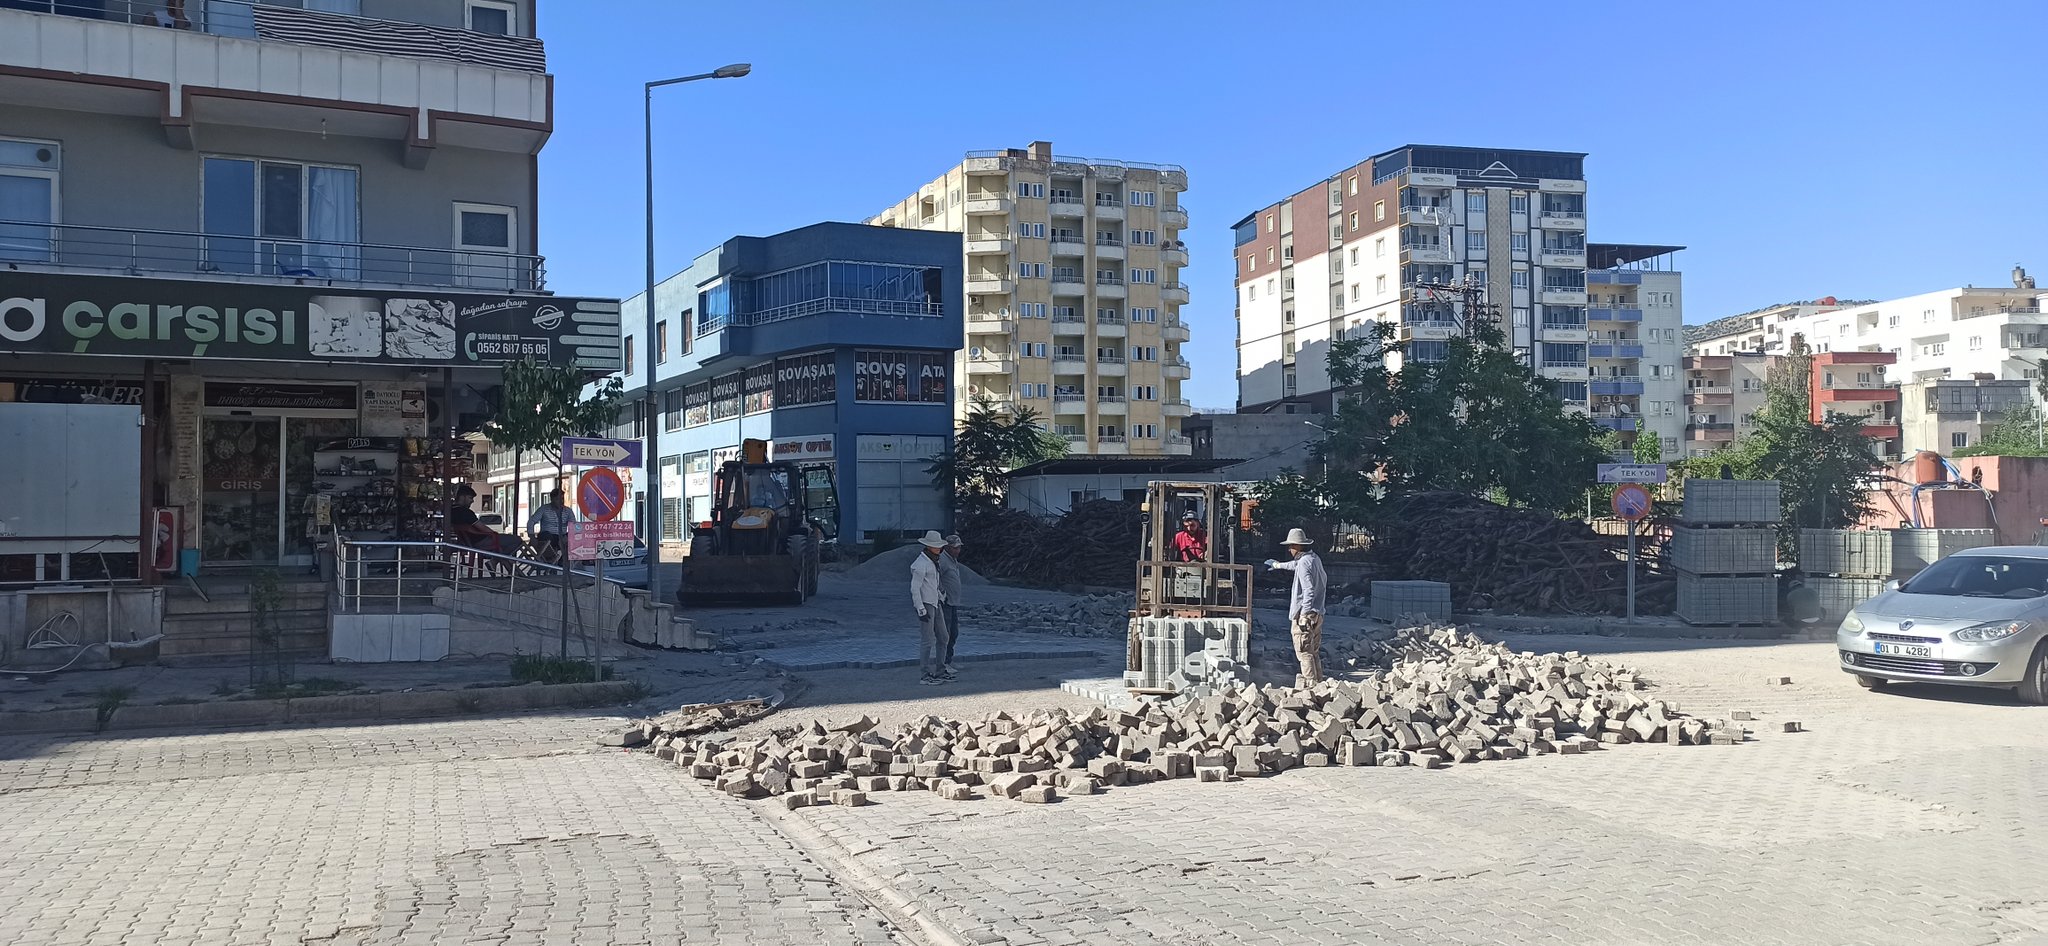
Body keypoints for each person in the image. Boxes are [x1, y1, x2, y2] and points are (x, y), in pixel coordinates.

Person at [1264, 528, 1327, 687]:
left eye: (1291, 546)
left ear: (1298, 546)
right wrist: (1278, 565)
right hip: (1318, 613)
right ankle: (1320, 686)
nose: (1289, 549)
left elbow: (1308, 590)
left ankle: (1311, 686)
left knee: (1304, 652)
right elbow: (1295, 565)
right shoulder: (1314, 559)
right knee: (1313, 652)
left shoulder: (1304, 562)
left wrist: (1304, 614)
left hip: (1305, 615)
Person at [910, 530, 951, 686]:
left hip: (935, 602)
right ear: (928, 546)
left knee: (943, 637)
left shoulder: (934, 561)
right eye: (936, 546)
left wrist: (941, 596)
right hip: (926, 604)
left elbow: (932, 584)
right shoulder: (920, 564)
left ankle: (941, 670)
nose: (939, 548)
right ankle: (925, 674)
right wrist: (920, 608)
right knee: (927, 640)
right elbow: (915, 588)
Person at [937, 534, 966, 676]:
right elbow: (936, 578)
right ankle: (943, 663)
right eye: (955, 548)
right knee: (946, 633)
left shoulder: (953, 560)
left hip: (953, 602)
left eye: (959, 548)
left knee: (954, 632)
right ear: (947, 547)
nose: (958, 550)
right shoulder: (942, 560)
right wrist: (943, 594)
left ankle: (949, 659)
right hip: (946, 602)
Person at [527, 488, 578, 562]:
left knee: (573, 537)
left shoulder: (568, 511)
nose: (561, 501)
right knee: (546, 536)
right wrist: (532, 536)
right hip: (548, 536)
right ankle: (551, 558)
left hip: (562, 536)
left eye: (562, 499)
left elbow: (573, 526)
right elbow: (531, 521)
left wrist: (568, 536)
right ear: (552, 499)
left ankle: (564, 560)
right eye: (557, 499)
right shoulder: (544, 509)